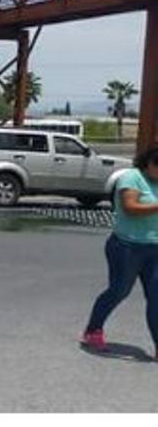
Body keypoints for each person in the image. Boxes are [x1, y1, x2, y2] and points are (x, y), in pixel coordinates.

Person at [82, 146, 158, 360]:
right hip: (126, 246)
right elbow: (130, 208)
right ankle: (93, 330)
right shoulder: (131, 178)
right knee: (119, 290)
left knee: (156, 296)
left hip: (154, 248)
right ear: (148, 163)